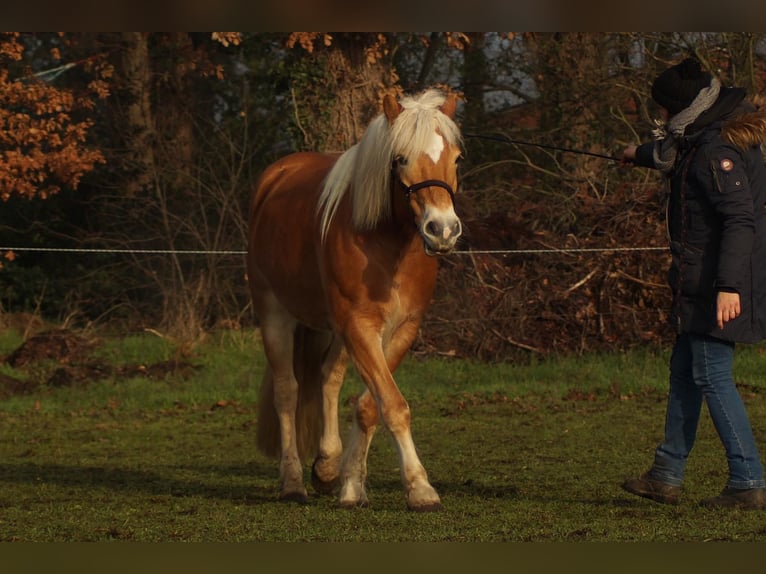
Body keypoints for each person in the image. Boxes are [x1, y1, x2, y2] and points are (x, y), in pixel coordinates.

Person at [620, 57, 766, 509]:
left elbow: (739, 220)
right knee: (685, 371)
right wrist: (633, 153)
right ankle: (666, 473)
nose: (660, 119)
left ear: (682, 110)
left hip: (713, 285)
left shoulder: (713, 153)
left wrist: (728, 287)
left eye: (663, 112)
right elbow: (670, 157)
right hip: (703, 281)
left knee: (711, 375)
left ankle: (747, 480)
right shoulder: (704, 140)